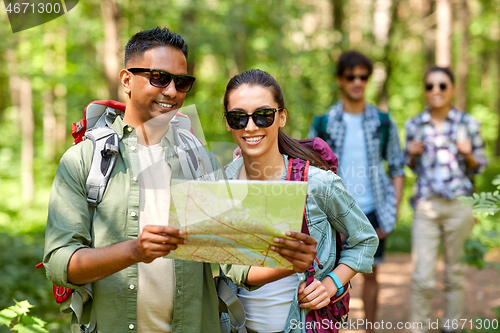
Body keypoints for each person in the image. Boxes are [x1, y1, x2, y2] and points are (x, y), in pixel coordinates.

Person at [43, 28, 317, 333]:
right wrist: (134, 251)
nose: (172, 91)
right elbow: (59, 264)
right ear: (126, 80)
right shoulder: (85, 160)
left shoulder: (202, 162)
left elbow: (233, 263)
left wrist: (288, 262)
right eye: (159, 77)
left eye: (182, 82)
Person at [220, 69, 379, 333]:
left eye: (263, 115)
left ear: (282, 117)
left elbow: (364, 239)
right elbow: (232, 268)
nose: (250, 127)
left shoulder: (317, 183)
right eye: (238, 117)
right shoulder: (221, 185)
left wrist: (330, 285)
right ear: (227, 122)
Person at [308, 51, 405, 332]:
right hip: (335, 212)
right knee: (330, 275)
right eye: (351, 76)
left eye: (363, 76)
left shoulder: (383, 122)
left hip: (374, 209)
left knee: (372, 274)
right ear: (340, 79)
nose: (358, 82)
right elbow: (311, 169)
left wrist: (391, 212)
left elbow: (398, 167)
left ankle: (370, 329)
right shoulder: (324, 123)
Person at [405, 66, 487, 333]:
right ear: (425, 90)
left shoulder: (468, 123)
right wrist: (412, 154)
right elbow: (411, 167)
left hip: (459, 207)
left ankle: (450, 328)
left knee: (455, 275)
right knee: (422, 278)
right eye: (430, 86)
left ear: (452, 89)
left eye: (442, 85)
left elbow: (480, 167)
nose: (436, 91)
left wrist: (469, 154)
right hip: (426, 205)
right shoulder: (414, 125)